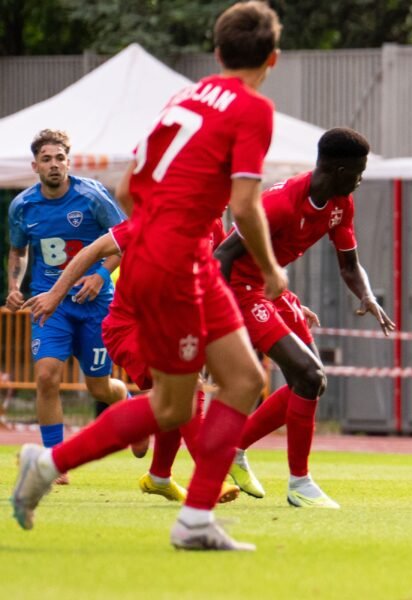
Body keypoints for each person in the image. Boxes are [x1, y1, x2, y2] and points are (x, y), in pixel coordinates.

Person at [11, 0, 285, 551]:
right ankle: (46, 465)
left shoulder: (185, 95)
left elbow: (126, 186)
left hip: (175, 254)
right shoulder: (253, 110)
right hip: (175, 261)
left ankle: (194, 520)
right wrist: (273, 270)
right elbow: (247, 204)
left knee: (244, 381)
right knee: (172, 405)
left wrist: (162, 222)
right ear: (272, 59)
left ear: (216, 50)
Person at [216, 127, 394, 508]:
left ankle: (234, 446)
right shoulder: (280, 205)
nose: (361, 179)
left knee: (313, 382)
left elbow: (350, 264)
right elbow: (223, 256)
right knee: (309, 376)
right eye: (359, 171)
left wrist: (366, 294)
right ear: (339, 169)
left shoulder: (340, 203)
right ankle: (299, 484)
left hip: (272, 289)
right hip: (243, 291)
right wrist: (215, 319)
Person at [24, 219, 241, 505]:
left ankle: (159, 477)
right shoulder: (158, 217)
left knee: (175, 399)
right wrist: (56, 293)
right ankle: (210, 477)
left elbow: (223, 275)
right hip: (129, 326)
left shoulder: (211, 225)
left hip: (171, 328)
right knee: (187, 387)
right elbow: (93, 249)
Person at [5, 129, 129, 473]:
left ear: (68, 162)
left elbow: (125, 241)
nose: (55, 165)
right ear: (35, 166)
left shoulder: (93, 196)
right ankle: (53, 461)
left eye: (60, 158)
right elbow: (18, 250)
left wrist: (101, 275)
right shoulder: (23, 205)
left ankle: (128, 404)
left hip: (95, 303)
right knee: (46, 376)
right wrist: (14, 285)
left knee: (99, 387)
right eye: (47, 159)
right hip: (50, 303)